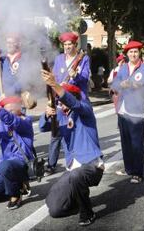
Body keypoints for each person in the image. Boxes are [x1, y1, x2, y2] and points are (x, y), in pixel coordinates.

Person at [41, 70, 103, 227]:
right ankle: (78, 202)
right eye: (58, 102)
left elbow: (74, 104)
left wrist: (54, 84)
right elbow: (43, 127)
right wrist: (47, 114)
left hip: (91, 164)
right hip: (73, 167)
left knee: (76, 175)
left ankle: (87, 213)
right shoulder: (61, 115)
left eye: (62, 101)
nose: (61, 105)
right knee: (54, 207)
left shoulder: (84, 109)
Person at [44, 31, 90, 176]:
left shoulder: (83, 58)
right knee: (55, 132)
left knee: (76, 131)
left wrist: (75, 76)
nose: (67, 47)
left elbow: (85, 77)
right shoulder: (59, 59)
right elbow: (55, 78)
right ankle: (51, 164)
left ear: (75, 45)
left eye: (70, 44)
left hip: (76, 100)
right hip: (60, 99)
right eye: (65, 44)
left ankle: (79, 159)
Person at [111, 40, 144, 183]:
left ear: (139, 53)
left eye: (135, 51)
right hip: (122, 109)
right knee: (126, 143)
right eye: (130, 52)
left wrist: (138, 85)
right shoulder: (123, 68)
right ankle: (129, 168)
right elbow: (115, 84)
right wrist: (120, 85)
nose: (133, 54)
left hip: (136, 111)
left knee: (136, 144)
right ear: (127, 54)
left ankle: (138, 173)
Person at [0, 96, 34, 209]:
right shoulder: (2, 124)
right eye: (6, 111)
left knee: (6, 165)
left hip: (20, 164)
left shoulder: (26, 121)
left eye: (10, 111)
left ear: (19, 108)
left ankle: (15, 196)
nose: (7, 114)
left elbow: (10, 119)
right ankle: (18, 188)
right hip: (5, 168)